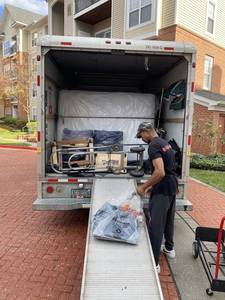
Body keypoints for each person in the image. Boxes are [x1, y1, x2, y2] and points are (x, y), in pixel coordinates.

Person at [136, 122, 177, 274]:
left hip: (163, 187)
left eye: (141, 136)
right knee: (169, 220)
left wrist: (144, 186)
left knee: (156, 225)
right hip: (172, 186)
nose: (142, 139)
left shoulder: (153, 145)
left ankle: (154, 262)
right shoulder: (164, 142)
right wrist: (153, 186)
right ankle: (169, 248)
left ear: (146, 132)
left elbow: (160, 172)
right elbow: (167, 168)